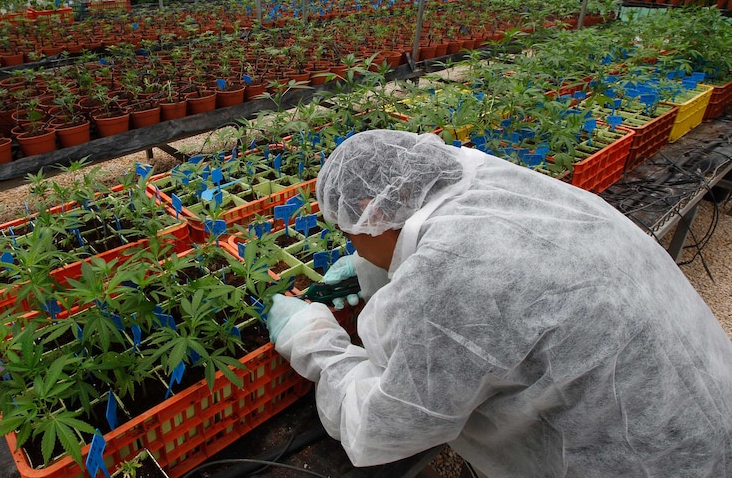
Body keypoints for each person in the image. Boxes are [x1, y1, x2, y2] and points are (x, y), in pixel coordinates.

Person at [265, 129, 732, 477]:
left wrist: (317, 344)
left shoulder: (450, 276)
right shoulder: (492, 184)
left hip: (649, 458)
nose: (355, 246)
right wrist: (373, 269)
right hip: (707, 396)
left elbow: (387, 426)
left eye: (352, 235)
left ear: (375, 209)